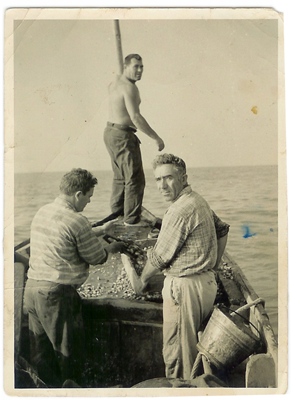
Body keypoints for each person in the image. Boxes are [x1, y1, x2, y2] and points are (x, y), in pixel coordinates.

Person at [23, 168, 126, 387]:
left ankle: (44, 390)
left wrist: (101, 229)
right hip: (56, 296)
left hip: (32, 290)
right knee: (68, 354)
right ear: (78, 194)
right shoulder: (77, 220)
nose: (88, 202)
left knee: (41, 354)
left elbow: (69, 234)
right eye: (88, 197)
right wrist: (113, 247)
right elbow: (96, 257)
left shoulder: (43, 211)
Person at [132, 154, 229, 380]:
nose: (162, 185)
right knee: (194, 349)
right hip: (204, 285)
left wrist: (142, 281)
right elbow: (222, 230)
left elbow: (159, 258)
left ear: (183, 178)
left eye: (168, 178)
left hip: (185, 289)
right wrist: (213, 266)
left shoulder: (178, 210)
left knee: (178, 356)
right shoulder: (197, 200)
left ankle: (183, 391)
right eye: (157, 180)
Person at [104, 54, 165, 226]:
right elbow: (136, 117)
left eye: (141, 67)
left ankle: (117, 214)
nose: (139, 70)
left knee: (120, 177)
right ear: (126, 66)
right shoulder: (130, 88)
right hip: (122, 135)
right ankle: (130, 221)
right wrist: (156, 138)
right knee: (134, 178)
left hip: (110, 132)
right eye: (135, 66)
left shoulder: (114, 83)